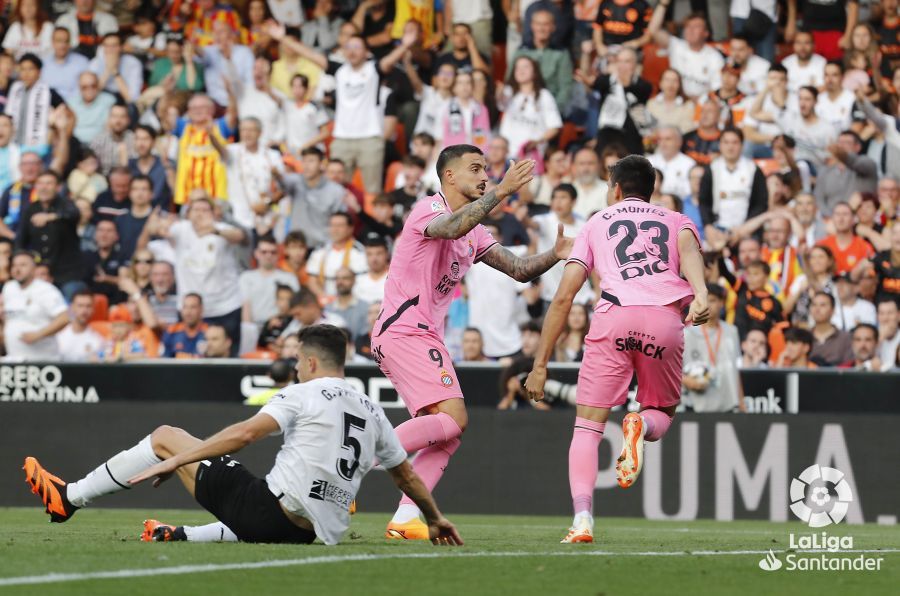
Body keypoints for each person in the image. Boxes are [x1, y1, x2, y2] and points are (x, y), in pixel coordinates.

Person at [23, 324, 463, 547]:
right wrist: (435, 517)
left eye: (296, 359)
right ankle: (183, 536)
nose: (294, 366)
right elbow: (405, 476)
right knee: (266, 490)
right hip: (308, 533)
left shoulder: (303, 392)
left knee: (165, 436)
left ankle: (70, 497)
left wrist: (179, 458)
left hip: (267, 514)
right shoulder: (372, 409)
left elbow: (247, 433)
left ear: (309, 362)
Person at [373, 144, 570, 540]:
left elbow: (518, 269)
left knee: (448, 433)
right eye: (476, 169)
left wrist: (556, 254)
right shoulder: (427, 209)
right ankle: (356, 455)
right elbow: (450, 227)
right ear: (449, 176)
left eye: (487, 169)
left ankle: (407, 517)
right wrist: (502, 191)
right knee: (456, 418)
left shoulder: (475, 231)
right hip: (404, 327)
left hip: (423, 332)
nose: (484, 175)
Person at [523, 154, 709, 544]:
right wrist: (702, 294)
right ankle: (641, 424)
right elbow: (690, 250)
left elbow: (564, 298)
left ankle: (582, 520)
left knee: (588, 428)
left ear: (617, 190)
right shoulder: (675, 220)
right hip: (664, 319)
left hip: (614, 318)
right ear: (651, 190)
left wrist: (540, 364)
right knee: (662, 412)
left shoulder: (594, 224)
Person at [140, 196, 245, 354]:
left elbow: (240, 236)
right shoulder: (181, 229)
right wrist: (156, 223)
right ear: (188, 213)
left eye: (205, 210)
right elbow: (158, 229)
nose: (200, 214)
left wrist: (215, 231)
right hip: (191, 309)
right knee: (187, 354)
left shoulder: (221, 228)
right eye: (196, 209)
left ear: (213, 213)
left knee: (226, 356)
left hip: (225, 306)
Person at [15, 170, 83, 296]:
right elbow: (21, 241)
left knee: (73, 296)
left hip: (67, 273)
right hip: (39, 272)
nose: (44, 188)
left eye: (48, 184)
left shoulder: (66, 204)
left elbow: (74, 214)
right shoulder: (30, 209)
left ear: (58, 187)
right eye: (40, 184)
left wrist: (52, 216)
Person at [682, 283, 745, 412]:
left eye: (712, 300)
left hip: (728, 403)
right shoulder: (687, 334)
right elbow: (672, 370)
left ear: (721, 303)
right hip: (696, 403)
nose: (708, 305)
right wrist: (687, 381)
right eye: (705, 301)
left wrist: (741, 402)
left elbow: (735, 370)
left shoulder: (731, 331)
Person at [2, 249, 69, 360]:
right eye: (14, 265)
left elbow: (65, 317)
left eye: (23, 265)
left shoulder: (46, 289)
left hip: (43, 360)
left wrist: (39, 335)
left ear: (34, 269)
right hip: (15, 359)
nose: (17, 269)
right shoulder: (9, 288)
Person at [278, 147, 350, 249]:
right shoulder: (295, 182)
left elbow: (341, 220)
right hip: (298, 248)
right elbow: (282, 182)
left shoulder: (336, 191)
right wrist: (276, 174)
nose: (306, 165)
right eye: (304, 161)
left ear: (322, 164)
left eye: (311, 161)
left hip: (322, 247)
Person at [647, 7, 724, 100]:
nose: (690, 30)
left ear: (706, 33)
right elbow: (653, 30)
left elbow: (718, 89)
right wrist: (663, 4)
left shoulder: (714, 57)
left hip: (701, 104)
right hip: (676, 101)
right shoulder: (676, 46)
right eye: (688, 26)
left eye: (696, 26)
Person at [5, 54, 65, 156]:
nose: (26, 73)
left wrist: (52, 127)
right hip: (13, 145)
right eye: (23, 69)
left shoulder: (48, 92)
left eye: (30, 69)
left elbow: (64, 111)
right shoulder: (15, 89)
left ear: (39, 72)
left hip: (38, 147)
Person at [814, 131, 878, 216]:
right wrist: (832, 217)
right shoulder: (825, 170)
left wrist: (843, 156)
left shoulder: (867, 164)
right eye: (839, 142)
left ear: (857, 147)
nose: (842, 146)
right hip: (831, 222)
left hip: (859, 220)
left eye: (847, 143)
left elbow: (855, 162)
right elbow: (819, 199)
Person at [239, 236, 300, 327]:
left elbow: (295, 306)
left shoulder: (289, 278)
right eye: (264, 252)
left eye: (273, 252)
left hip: (281, 326)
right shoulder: (246, 277)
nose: (268, 255)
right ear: (256, 254)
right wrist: (248, 329)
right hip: (254, 326)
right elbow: (246, 307)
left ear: (278, 254)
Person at [306, 212, 367, 300]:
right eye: (332, 225)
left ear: (350, 229)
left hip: (351, 300)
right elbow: (312, 281)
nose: (335, 229)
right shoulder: (319, 251)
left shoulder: (359, 252)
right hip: (323, 300)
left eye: (340, 226)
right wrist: (325, 297)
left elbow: (362, 282)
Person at [817, 202, 874, 275]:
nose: (841, 218)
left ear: (853, 219)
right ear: (832, 219)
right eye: (837, 214)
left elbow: (869, 277)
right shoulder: (822, 245)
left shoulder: (864, 247)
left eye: (845, 214)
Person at [39, 27, 90, 102]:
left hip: (75, 106)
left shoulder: (82, 62)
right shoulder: (43, 63)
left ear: (70, 43)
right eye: (59, 41)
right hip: (48, 106)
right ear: (52, 42)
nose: (63, 45)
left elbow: (87, 89)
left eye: (66, 41)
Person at [647, 126, 695, 201]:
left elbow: (690, 192)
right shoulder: (648, 161)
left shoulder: (689, 164)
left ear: (679, 142)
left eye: (668, 139)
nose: (663, 143)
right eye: (660, 139)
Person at [56, 289, 105, 361]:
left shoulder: (98, 340)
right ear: (71, 307)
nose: (84, 310)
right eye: (80, 306)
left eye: (88, 306)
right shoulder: (58, 335)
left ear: (93, 309)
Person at [324, 267, 370, 340]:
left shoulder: (365, 307)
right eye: (337, 279)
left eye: (345, 278)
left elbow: (365, 335)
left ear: (354, 281)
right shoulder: (327, 309)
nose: (340, 282)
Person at [809, 291, 853, 366]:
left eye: (822, 305)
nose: (817, 309)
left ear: (832, 310)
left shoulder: (845, 338)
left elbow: (849, 366)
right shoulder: (804, 337)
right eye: (814, 305)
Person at [162, 293, 208, 358]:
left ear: (201, 310)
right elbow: (164, 360)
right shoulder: (172, 331)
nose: (188, 312)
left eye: (193, 307)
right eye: (185, 307)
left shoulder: (209, 332)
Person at [353, 234, 390, 304]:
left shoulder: (393, 280)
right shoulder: (358, 281)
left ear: (387, 254)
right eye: (369, 254)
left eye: (379, 253)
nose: (374, 259)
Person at [875, 298, 900, 371]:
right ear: (877, 317)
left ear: (898, 316)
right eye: (881, 313)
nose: (885, 318)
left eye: (890, 313)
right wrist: (880, 339)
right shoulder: (871, 337)